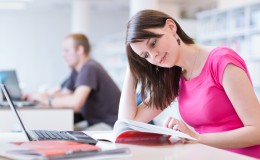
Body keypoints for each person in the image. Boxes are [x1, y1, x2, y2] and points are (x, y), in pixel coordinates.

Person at [118, 9, 260, 158]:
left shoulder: (221, 61)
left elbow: (257, 131)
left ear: (171, 27)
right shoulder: (174, 76)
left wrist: (196, 138)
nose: (154, 56)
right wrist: (133, 69)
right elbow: (127, 124)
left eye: (153, 43)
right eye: (145, 55)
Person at [26, 33, 121, 131]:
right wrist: (38, 96)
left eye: (66, 50)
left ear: (80, 50)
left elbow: (76, 103)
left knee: (68, 138)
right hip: (95, 122)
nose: (63, 55)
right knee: (60, 133)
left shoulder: (89, 68)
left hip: (110, 124)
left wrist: (46, 100)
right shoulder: (76, 71)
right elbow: (64, 94)